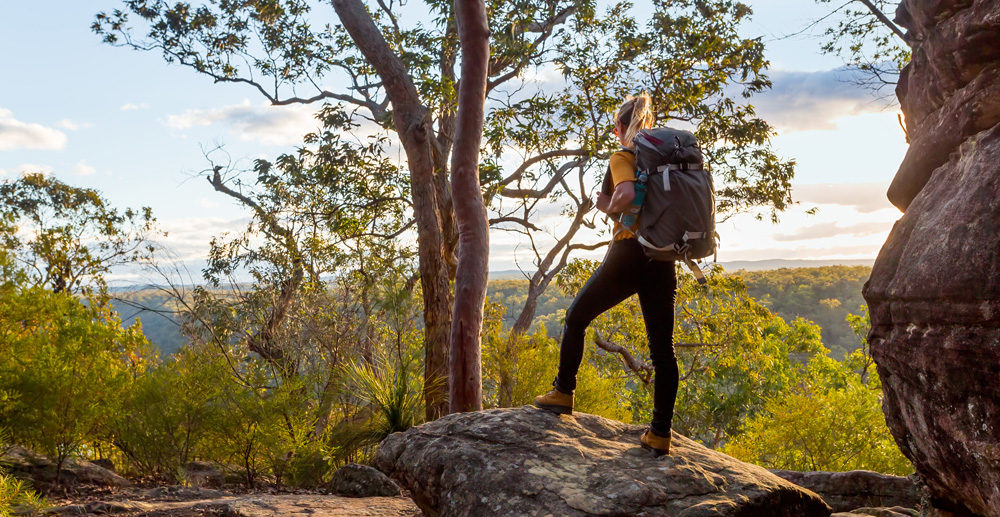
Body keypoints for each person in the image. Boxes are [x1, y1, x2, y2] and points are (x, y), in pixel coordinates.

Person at [533, 92, 678, 457]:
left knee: (576, 317)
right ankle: (660, 433)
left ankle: (563, 392)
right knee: (663, 351)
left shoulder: (624, 156)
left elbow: (627, 196)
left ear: (620, 128)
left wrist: (608, 206)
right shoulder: (663, 162)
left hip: (629, 254)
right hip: (662, 259)